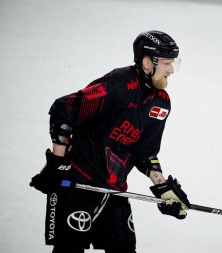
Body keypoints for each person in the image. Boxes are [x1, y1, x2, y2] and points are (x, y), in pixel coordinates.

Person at [30, 30, 191, 253]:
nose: (171, 70)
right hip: (77, 184)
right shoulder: (118, 85)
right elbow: (64, 110)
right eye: (166, 63)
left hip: (114, 190)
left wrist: (162, 186)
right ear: (147, 63)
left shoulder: (161, 103)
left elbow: (145, 152)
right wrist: (56, 165)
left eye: (173, 63)